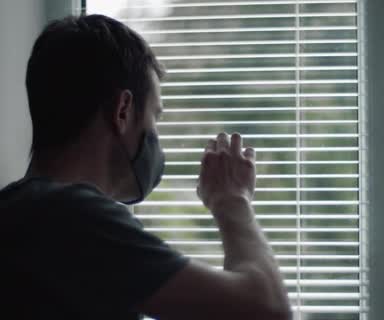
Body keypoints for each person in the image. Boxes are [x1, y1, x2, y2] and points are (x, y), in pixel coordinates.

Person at [0, 14, 291, 320]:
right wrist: (232, 200)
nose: (156, 138)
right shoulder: (71, 218)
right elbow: (266, 309)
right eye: (155, 117)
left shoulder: (20, 212)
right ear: (122, 110)